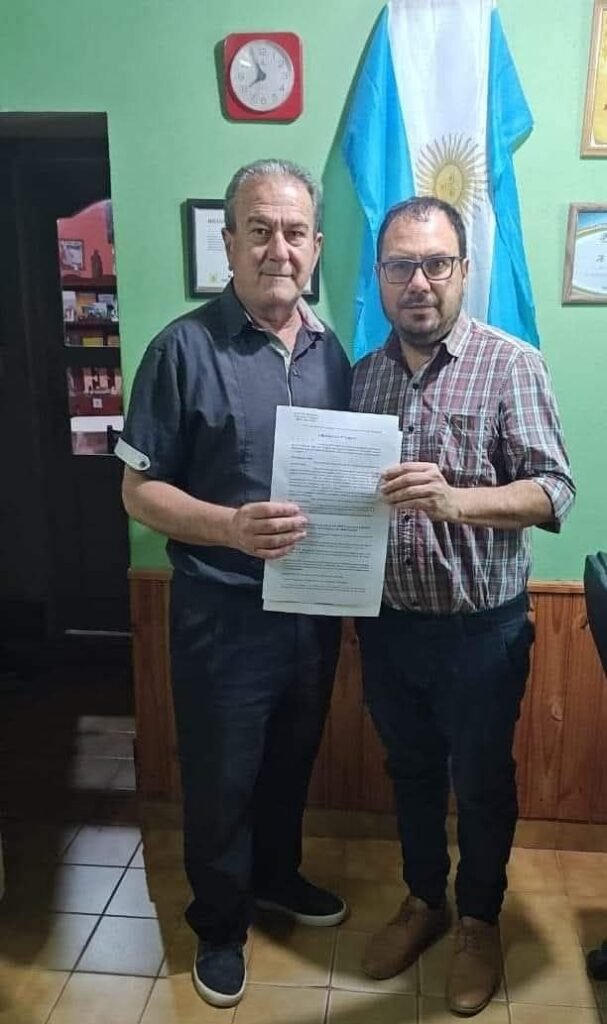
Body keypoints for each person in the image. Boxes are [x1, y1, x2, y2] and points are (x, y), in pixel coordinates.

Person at [117, 159, 350, 1009]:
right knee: (220, 779)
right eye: (258, 230)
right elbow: (137, 491)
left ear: (314, 247)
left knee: (290, 760)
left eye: (293, 232)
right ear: (228, 243)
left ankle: (277, 877)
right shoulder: (180, 349)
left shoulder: (334, 354)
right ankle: (218, 925)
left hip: (312, 612)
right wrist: (228, 526)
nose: (276, 248)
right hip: (220, 614)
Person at [351, 196, 575, 1016]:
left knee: (480, 782)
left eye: (434, 263)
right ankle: (424, 901)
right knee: (409, 773)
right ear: (380, 276)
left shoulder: (511, 363)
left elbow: (554, 490)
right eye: (399, 265)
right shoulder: (361, 378)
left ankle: (478, 918)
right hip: (386, 625)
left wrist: (457, 501)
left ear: (463, 270)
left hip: (483, 631)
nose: (418, 281)